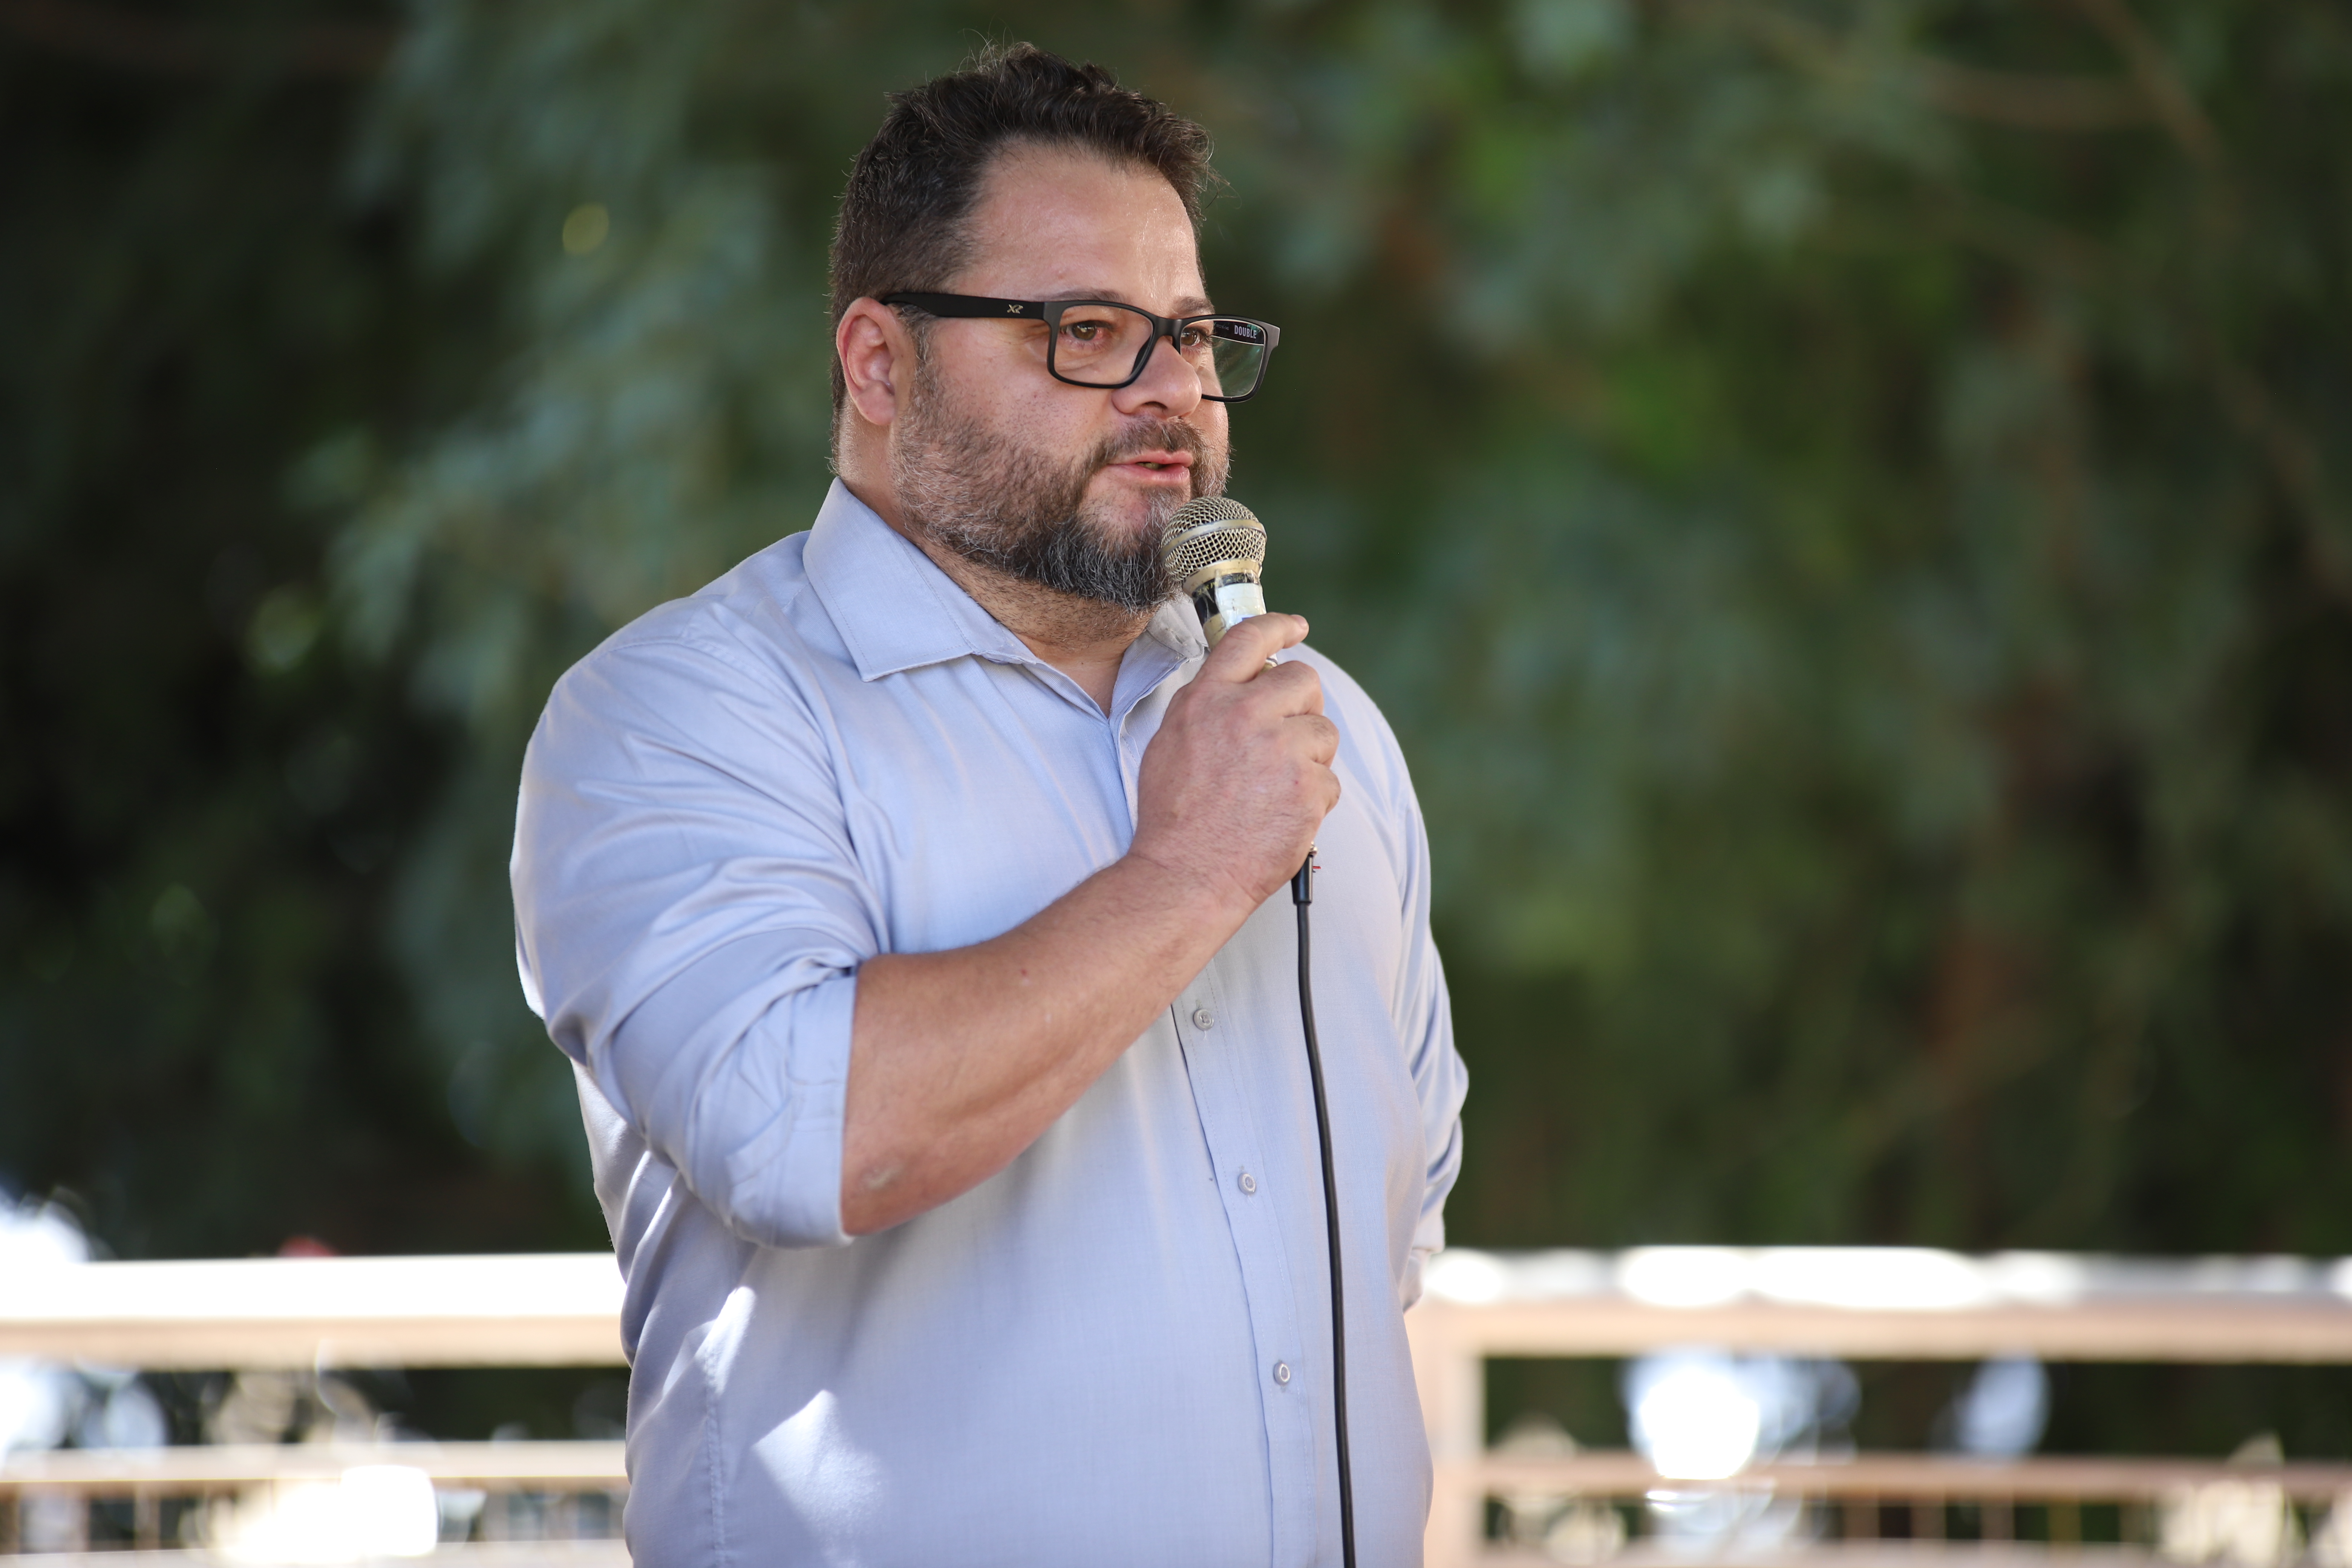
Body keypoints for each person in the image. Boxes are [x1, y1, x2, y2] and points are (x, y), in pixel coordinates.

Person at [511, 43, 1467, 1568]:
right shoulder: (676, 712)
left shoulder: (1320, 730)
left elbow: (1387, 1237)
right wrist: (1187, 872)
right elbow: (796, 1132)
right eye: (1088, 333)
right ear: (880, 366)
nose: (1173, 391)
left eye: (1192, 334)